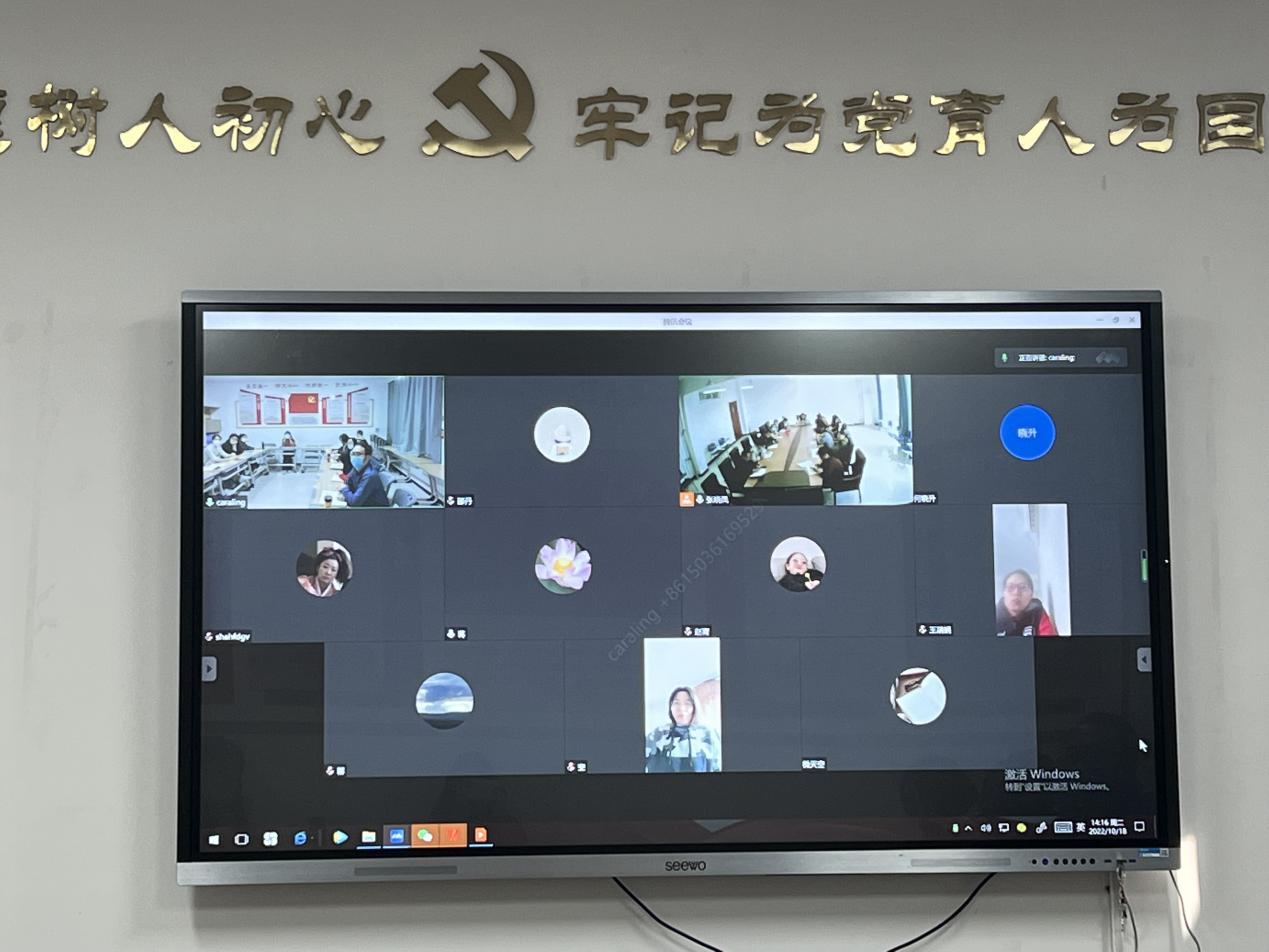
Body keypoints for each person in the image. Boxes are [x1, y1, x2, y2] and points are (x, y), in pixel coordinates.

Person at [644, 686, 721, 773]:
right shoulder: (657, 734)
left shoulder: (708, 734)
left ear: (694, 707)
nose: (681, 708)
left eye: (687, 703)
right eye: (676, 703)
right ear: (670, 707)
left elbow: (718, 767)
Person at [995, 569, 1058, 636]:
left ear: (1031, 593)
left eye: (1022, 587)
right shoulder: (993, 616)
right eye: (1011, 587)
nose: (1016, 592)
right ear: (1004, 592)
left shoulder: (1037, 613)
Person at [340, 440, 390, 507]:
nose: (354, 457)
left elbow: (355, 503)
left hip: (376, 511)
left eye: (358, 454)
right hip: (365, 505)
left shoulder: (370, 475)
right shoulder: (357, 468)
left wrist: (344, 489)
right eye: (352, 454)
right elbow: (347, 481)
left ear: (368, 457)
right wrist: (347, 495)